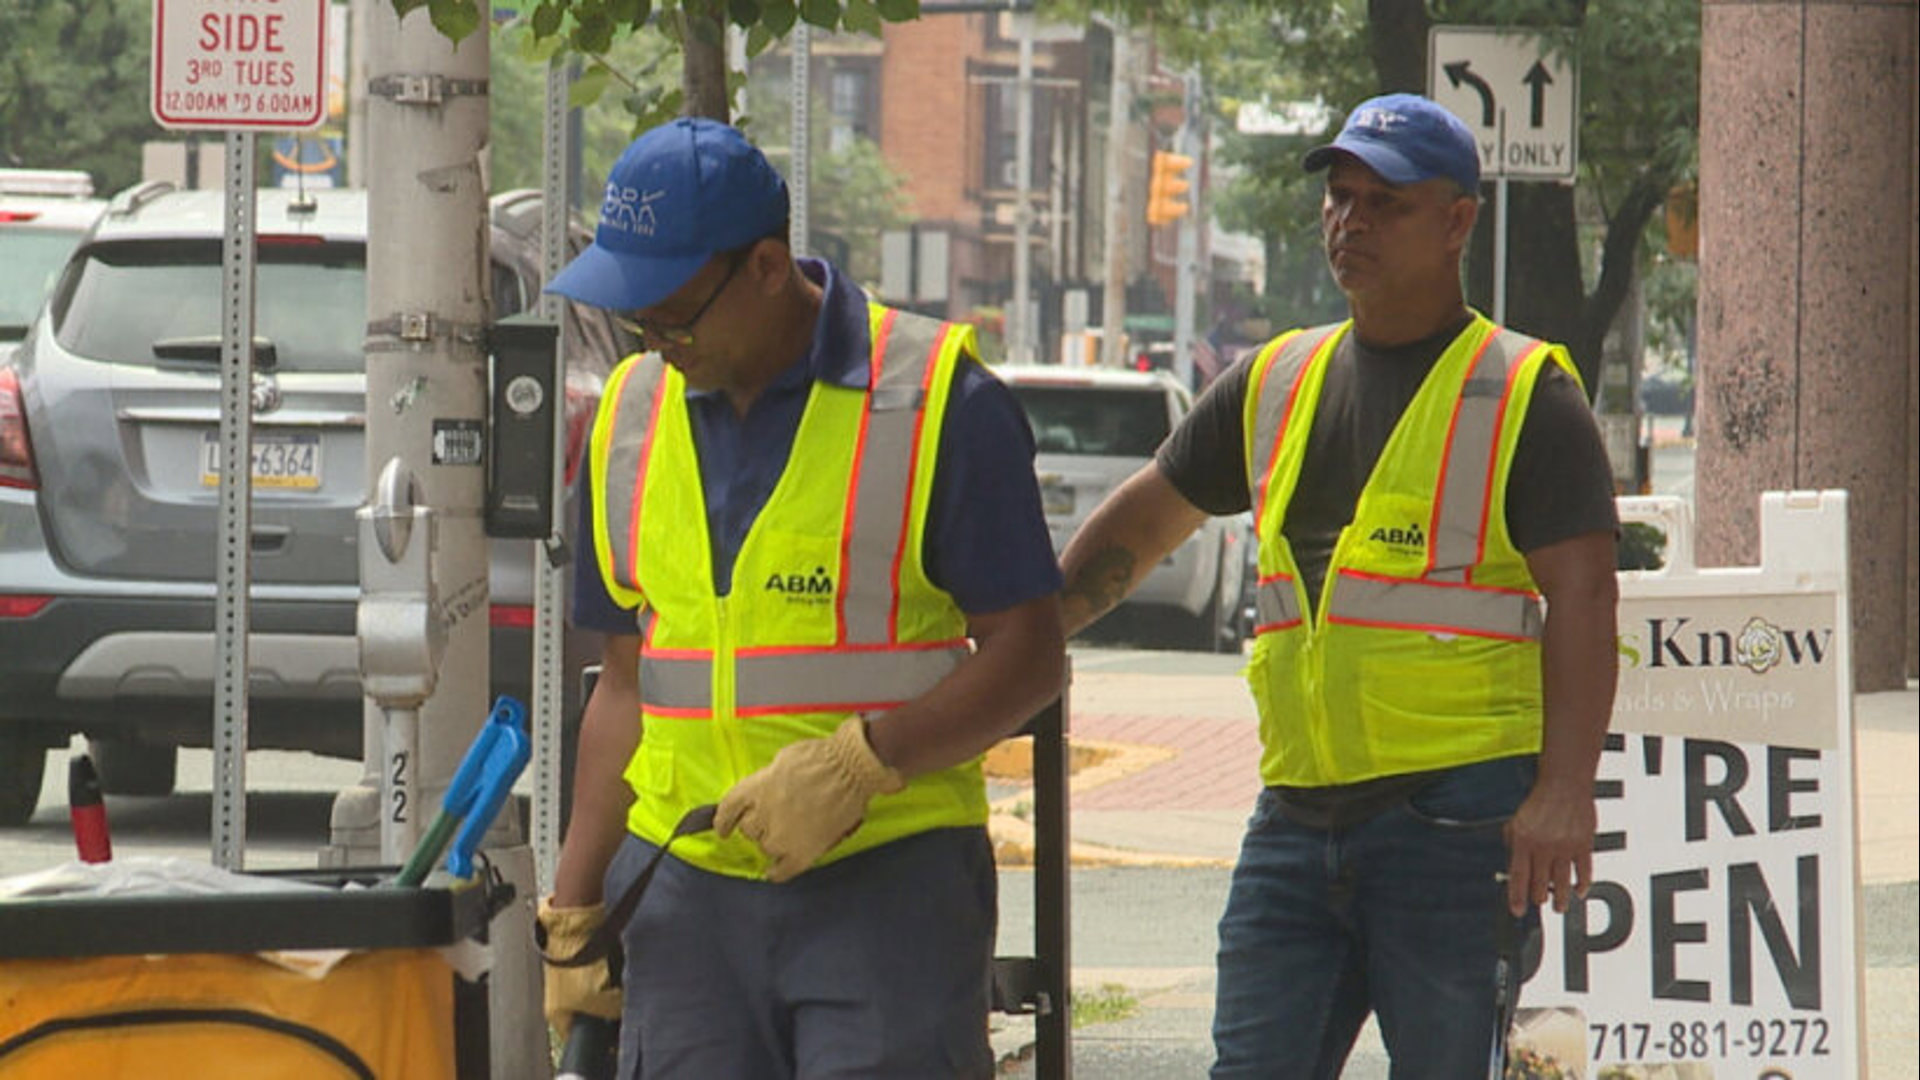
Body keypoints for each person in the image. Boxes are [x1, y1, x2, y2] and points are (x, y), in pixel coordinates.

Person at [1056, 93, 1620, 1078]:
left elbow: (1585, 597)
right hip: (1296, 815)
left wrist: (1566, 789)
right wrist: (1026, 639)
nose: (1349, 221)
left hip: (1456, 820)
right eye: (1339, 197)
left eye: (1385, 203)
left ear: (1457, 222)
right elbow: (1142, 528)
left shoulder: (1526, 392)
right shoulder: (1275, 378)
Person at [536, 117, 1065, 1079]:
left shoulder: (939, 401)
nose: (654, 338)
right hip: (682, 892)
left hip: (886, 884)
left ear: (770, 268)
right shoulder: (629, 413)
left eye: (674, 312)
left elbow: (1031, 654)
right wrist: (576, 905)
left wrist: (866, 763)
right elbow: (626, 682)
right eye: (634, 317)